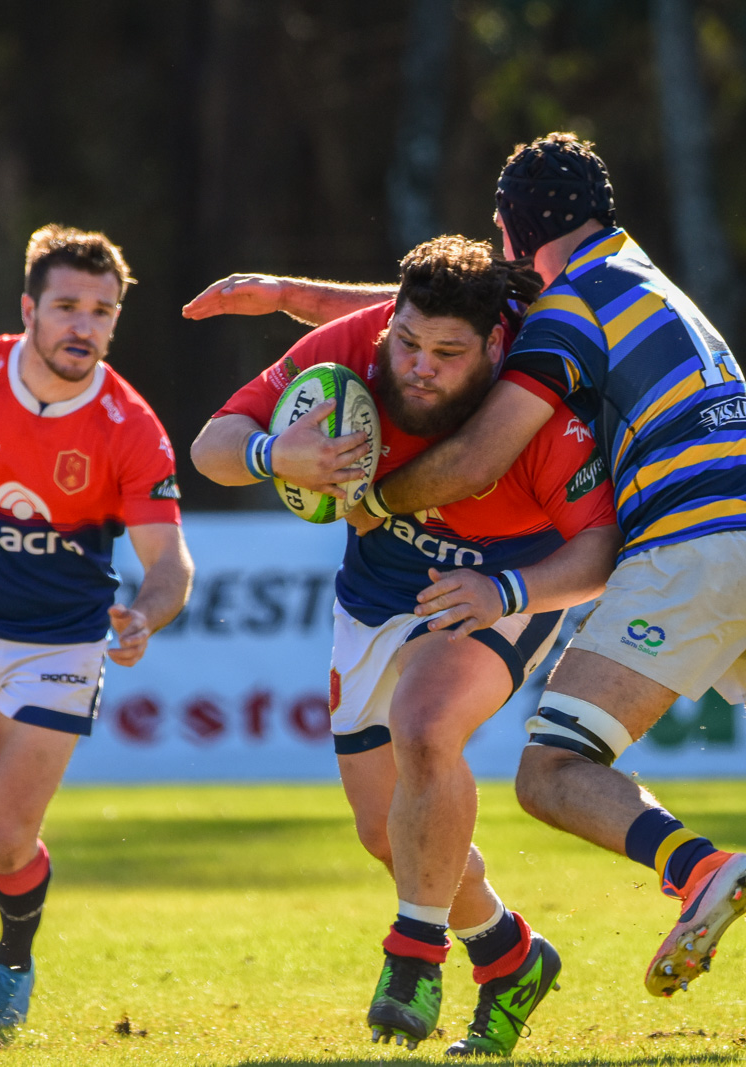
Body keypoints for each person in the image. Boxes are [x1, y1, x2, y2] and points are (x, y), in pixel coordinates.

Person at [183, 135, 746, 1054]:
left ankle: (693, 869)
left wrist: (369, 496)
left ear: (511, 229)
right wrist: (292, 299)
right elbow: (442, 310)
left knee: (549, 771)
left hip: (694, 547)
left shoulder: (566, 313)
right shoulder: (638, 278)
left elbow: (478, 457)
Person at [190, 236, 620, 1055]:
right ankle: (509, 954)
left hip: (501, 583)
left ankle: (414, 956)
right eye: (409, 342)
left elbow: (600, 552)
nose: (420, 368)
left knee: (426, 725)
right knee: (387, 831)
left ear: (493, 347)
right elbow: (211, 445)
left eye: (447, 354)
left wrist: (508, 592)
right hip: (377, 588)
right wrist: (273, 451)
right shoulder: (356, 350)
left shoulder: (536, 401)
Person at [0, 225, 193, 1027]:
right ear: (28, 308)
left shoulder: (130, 424)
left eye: (102, 310)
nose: (83, 326)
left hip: (61, 642)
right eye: (66, 306)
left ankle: (12, 959)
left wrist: (146, 614)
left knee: (6, 827)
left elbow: (170, 563)